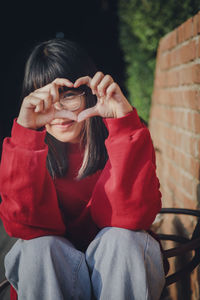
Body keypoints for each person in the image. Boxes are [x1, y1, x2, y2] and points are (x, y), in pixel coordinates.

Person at [0, 38, 165, 300]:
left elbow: (134, 217)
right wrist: (25, 133)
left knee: (123, 240)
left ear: (88, 92)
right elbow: (25, 226)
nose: (58, 110)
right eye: (46, 98)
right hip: (54, 275)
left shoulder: (122, 133)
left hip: (117, 272)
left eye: (68, 96)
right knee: (38, 249)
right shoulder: (29, 149)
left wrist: (122, 124)